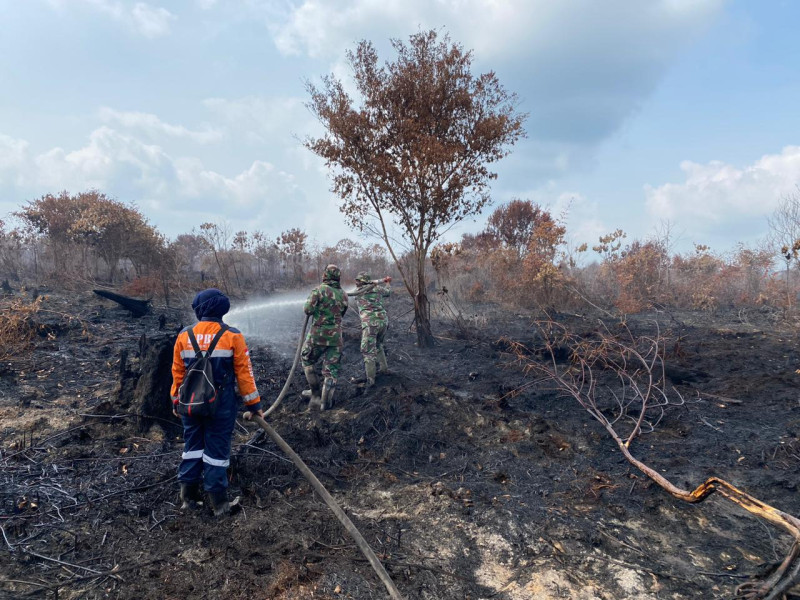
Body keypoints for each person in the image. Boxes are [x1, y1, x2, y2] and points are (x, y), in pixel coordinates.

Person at [170, 288, 263, 517]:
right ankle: (219, 503)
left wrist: (176, 401)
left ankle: (188, 498)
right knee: (217, 450)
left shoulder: (184, 335)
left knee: (192, 447)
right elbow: (245, 375)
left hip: (189, 404)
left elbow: (177, 373)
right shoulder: (233, 336)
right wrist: (254, 405)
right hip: (220, 405)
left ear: (200, 309)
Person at [301, 264, 348, 410]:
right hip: (336, 338)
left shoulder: (318, 290)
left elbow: (307, 310)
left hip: (318, 336)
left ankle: (315, 394)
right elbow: (342, 313)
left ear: (325, 275)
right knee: (331, 370)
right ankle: (325, 404)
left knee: (306, 359)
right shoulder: (344, 294)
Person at [353, 272, 392, 389]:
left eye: (358, 281)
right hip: (383, 321)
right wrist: (388, 283)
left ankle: (371, 380)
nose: (356, 283)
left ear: (362, 282)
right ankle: (384, 370)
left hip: (370, 324)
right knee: (379, 345)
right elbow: (388, 292)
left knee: (368, 351)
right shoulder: (378, 288)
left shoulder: (358, 292)